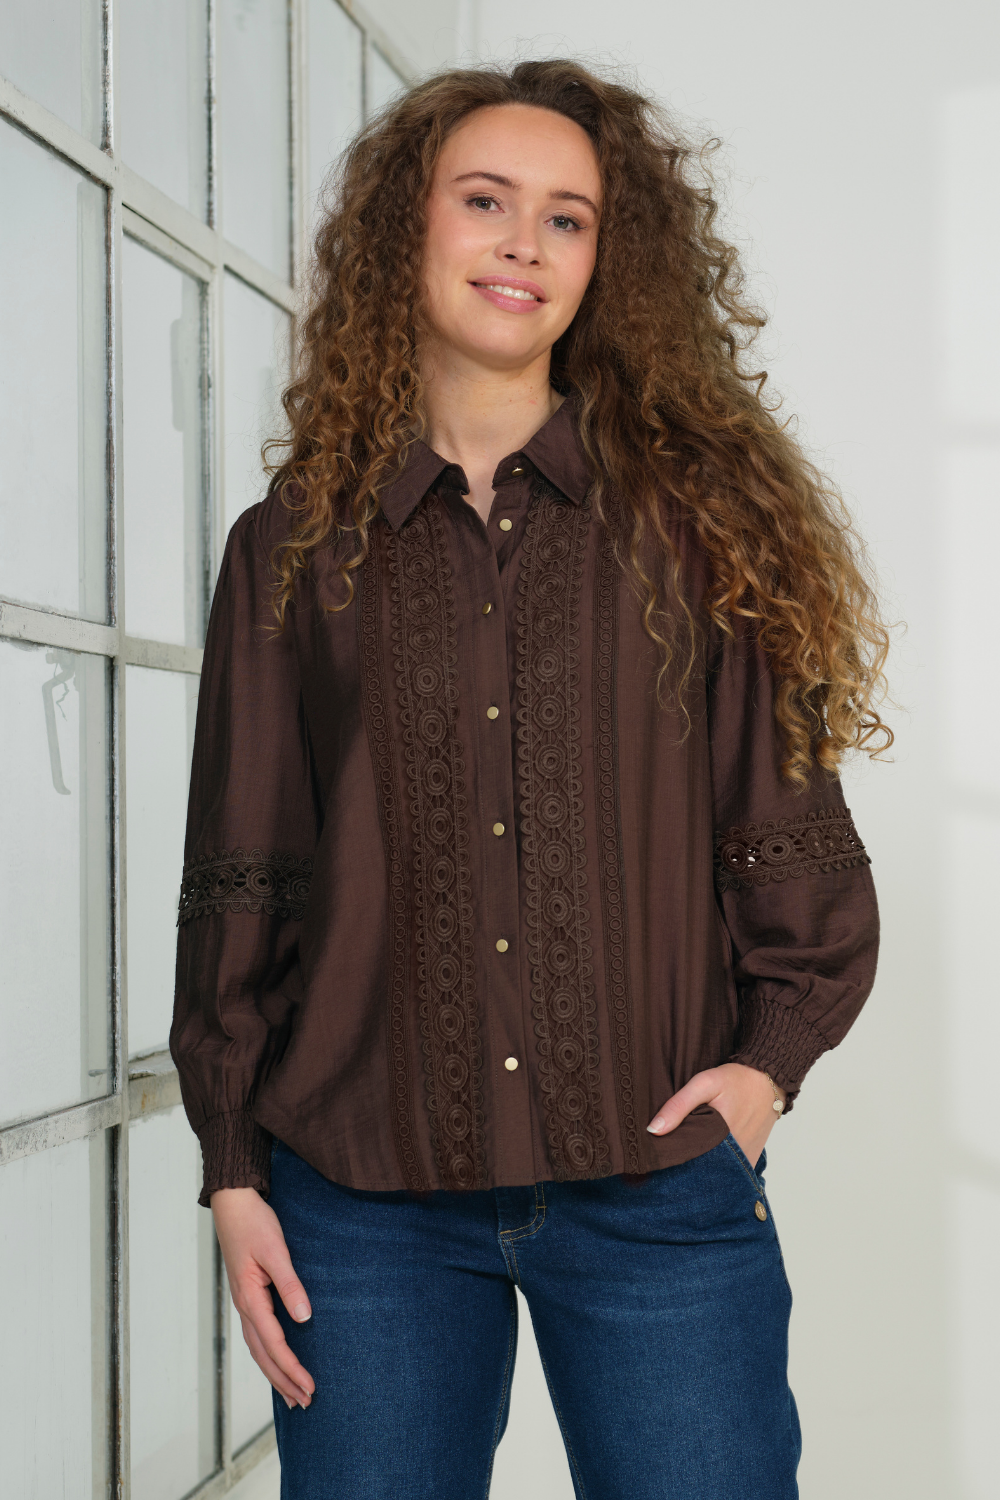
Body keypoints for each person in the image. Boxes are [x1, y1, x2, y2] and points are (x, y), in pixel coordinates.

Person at [169, 58, 889, 1500]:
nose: (524, 243)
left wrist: (765, 1071)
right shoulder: (294, 545)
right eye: (485, 200)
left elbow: (787, 835)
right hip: (362, 1199)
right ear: (408, 229)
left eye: (568, 218)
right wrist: (235, 1166)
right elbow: (245, 867)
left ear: (607, 263)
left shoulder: (694, 530)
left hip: (653, 1182)